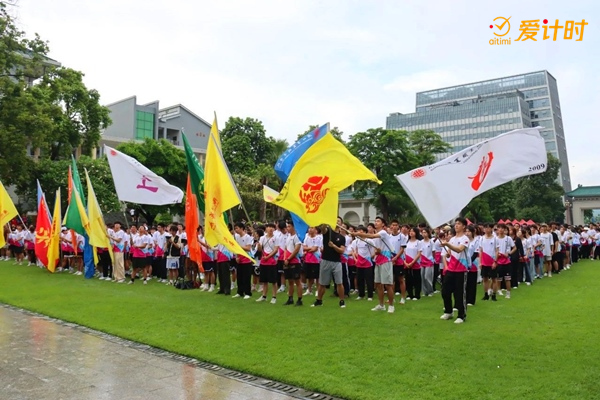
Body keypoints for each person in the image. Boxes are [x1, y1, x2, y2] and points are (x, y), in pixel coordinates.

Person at [352, 217, 395, 313]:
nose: (376, 223)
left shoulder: (383, 233)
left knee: (387, 284)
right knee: (378, 284)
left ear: (383, 224)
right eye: (375, 221)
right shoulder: (375, 235)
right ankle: (381, 305)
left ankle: (391, 305)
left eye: (378, 221)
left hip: (386, 260)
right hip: (378, 260)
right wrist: (377, 251)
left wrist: (358, 233)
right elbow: (376, 249)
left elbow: (371, 236)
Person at [440, 218, 470, 324]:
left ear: (464, 226)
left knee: (460, 293)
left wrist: (447, 244)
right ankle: (448, 311)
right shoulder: (452, 239)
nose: (456, 225)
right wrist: (448, 251)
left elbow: (459, 249)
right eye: (456, 224)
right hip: (451, 268)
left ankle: (461, 315)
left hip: (461, 269)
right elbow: (450, 253)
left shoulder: (465, 238)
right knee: (445, 291)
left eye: (459, 224)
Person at [311, 224, 346, 308]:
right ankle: (319, 300)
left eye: (339, 221)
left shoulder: (341, 237)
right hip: (325, 261)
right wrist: (324, 222)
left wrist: (333, 246)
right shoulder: (327, 232)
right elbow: (322, 228)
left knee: (339, 282)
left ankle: (342, 301)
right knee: (322, 283)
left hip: (336, 262)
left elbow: (341, 250)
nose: (337, 222)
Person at [256, 223, 279, 304]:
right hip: (263, 261)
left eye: (272, 227)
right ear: (266, 228)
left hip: (272, 261)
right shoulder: (262, 238)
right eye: (269, 227)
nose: (270, 229)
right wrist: (258, 245)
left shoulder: (276, 238)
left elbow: (276, 249)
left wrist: (268, 257)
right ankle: (264, 296)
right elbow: (259, 249)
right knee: (264, 280)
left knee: (273, 281)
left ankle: (274, 297)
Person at [283, 221, 303, 306]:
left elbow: (296, 249)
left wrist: (288, 258)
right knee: (290, 281)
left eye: (289, 226)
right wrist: (284, 258)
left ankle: (299, 299)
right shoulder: (288, 237)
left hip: (294, 262)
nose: (287, 228)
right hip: (287, 262)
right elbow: (285, 248)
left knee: (297, 281)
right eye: (287, 227)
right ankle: (290, 298)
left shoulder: (297, 237)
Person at [233, 222, 254, 299]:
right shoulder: (237, 237)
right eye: (235, 228)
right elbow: (236, 250)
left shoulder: (248, 237)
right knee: (239, 276)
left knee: (246, 277)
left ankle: (248, 292)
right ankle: (240, 292)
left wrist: (239, 246)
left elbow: (248, 248)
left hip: (247, 259)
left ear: (242, 228)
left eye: (237, 228)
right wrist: (237, 257)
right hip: (240, 259)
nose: (236, 230)